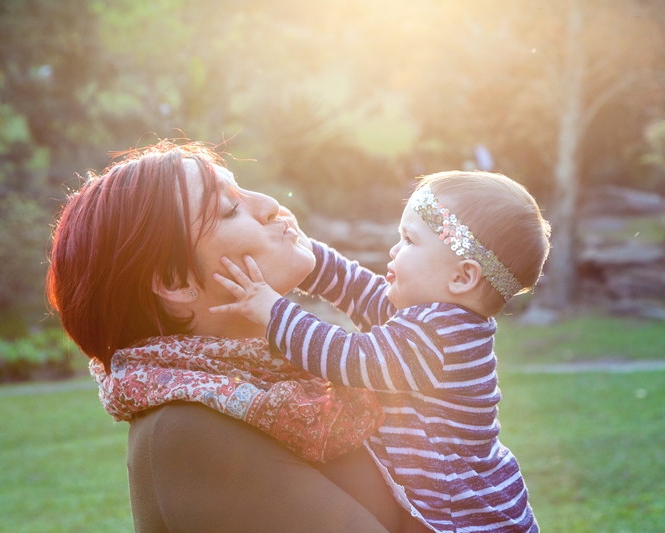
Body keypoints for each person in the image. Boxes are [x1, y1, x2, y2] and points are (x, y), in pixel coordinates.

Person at [46, 141, 429, 533]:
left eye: (243, 189)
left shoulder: (291, 383)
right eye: (229, 209)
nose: (268, 205)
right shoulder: (186, 433)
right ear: (176, 282)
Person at [210, 171, 551, 533]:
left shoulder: (442, 336)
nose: (394, 249)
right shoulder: (426, 316)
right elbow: (353, 285)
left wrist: (271, 310)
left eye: (409, 240)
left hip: (463, 517)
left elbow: (350, 357)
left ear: (462, 277)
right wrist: (302, 249)